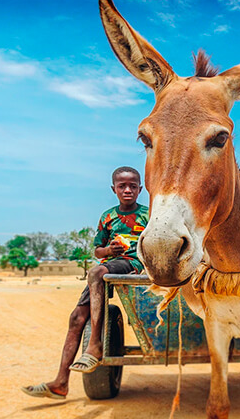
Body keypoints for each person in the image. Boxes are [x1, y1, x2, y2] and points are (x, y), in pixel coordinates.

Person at [21, 166, 148, 399]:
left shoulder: (148, 215)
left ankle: (95, 345)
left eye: (133, 186)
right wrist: (109, 249)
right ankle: (60, 383)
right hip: (107, 267)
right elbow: (98, 250)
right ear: (114, 189)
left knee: (96, 271)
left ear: (141, 188)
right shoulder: (108, 217)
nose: (127, 190)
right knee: (76, 318)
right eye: (122, 186)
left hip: (132, 264)